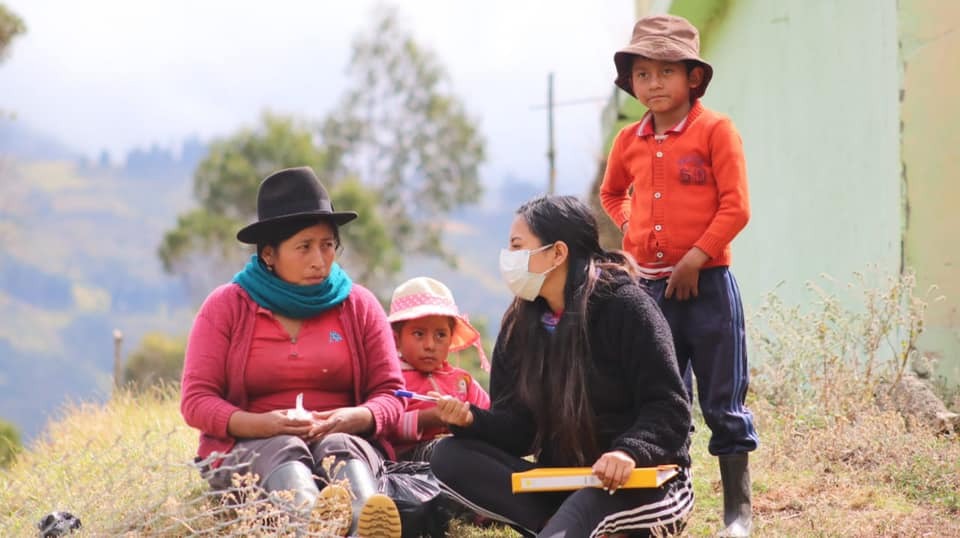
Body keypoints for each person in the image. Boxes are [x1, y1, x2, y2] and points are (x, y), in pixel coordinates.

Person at [429, 195, 693, 537]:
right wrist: (470, 419)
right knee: (449, 456)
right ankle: (558, 527)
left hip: (641, 482)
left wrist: (630, 451)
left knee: (587, 506)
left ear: (557, 253)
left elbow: (669, 408)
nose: (509, 259)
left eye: (517, 246)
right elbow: (520, 431)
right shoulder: (518, 324)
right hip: (565, 482)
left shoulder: (627, 307)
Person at [599, 14, 760, 537]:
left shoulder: (716, 130)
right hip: (652, 291)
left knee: (722, 398)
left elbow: (736, 208)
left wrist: (695, 257)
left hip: (709, 286)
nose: (653, 84)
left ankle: (738, 513)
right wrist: (633, 228)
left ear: (692, 77)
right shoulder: (628, 140)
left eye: (666, 71)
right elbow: (611, 195)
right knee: (666, 398)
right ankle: (672, 505)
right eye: (642, 74)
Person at [180, 166, 403, 538]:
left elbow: (392, 396)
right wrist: (259, 424)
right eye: (304, 247)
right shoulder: (226, 307)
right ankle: (311, 524)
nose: (320, 259)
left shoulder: (359, 305)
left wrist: (353, 416)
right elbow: (196, 400)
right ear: (269, 253)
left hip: (344, 439)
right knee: (283, 448)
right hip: (252, 449)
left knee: (338, 446)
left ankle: (366, 521)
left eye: (328, 244)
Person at [386, 276, 491, 461]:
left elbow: (489, 418)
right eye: (418, 334)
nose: (430, 345)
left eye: (440, 335)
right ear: (396, 339)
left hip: (462, 456)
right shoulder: (390, 380)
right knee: (450, 451)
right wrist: (430, 418)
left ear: (451, 339)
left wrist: (467, 418)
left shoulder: (463, 381)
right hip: (410, 461)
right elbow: (383, 425)